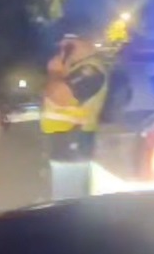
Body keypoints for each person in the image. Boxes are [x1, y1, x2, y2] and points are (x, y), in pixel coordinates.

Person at [41, 23, 110, 200]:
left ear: (85, 42)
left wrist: (54, 72)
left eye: (68, 45)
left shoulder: (91, 70)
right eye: (62, 46)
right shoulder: (73, 70)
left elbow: (58, 95)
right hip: (64, 145)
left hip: (75, 144)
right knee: (63, 199)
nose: (63, 50)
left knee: (68, 203)